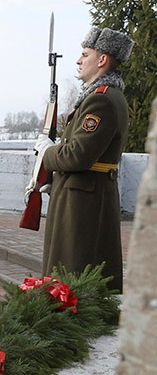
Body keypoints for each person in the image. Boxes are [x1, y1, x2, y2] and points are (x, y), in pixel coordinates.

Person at [34, 27, 133, 293]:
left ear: (102, 60)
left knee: (74, 272)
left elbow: (76, 155)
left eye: (85, 54)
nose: (79, 60)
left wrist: (47, 152)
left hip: (84, 201)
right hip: (82, 193)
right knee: (67, 271)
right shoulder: (99, 96)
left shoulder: (102, 100)